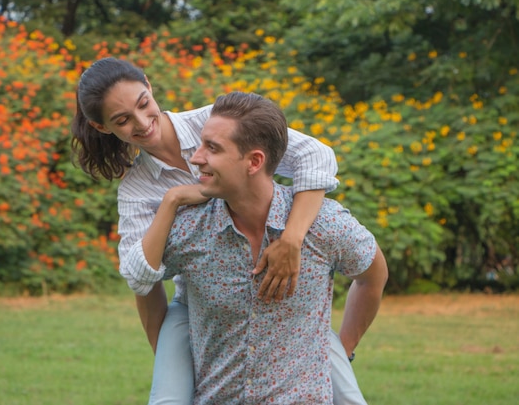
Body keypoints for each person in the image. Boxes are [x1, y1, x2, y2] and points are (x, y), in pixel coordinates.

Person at [70, 58, 358, 404]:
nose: (143, 122)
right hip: (197, 302)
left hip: (277, 287)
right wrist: (172, 200)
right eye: (122, 121)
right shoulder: (137, 190)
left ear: (148, 84)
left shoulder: (217, 124)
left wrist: (291, 239)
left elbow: (316, 156)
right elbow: (139, 276)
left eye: (143, 103)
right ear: (102, 128)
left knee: (348, 398)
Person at [124, 91, 389, 404]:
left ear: (254, 162)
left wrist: (341, 351)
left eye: (212, 148)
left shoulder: (324, 224)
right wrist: (172, 366)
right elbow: (143, 280)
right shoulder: (187, 230)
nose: (195, 158)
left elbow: (373, 275)